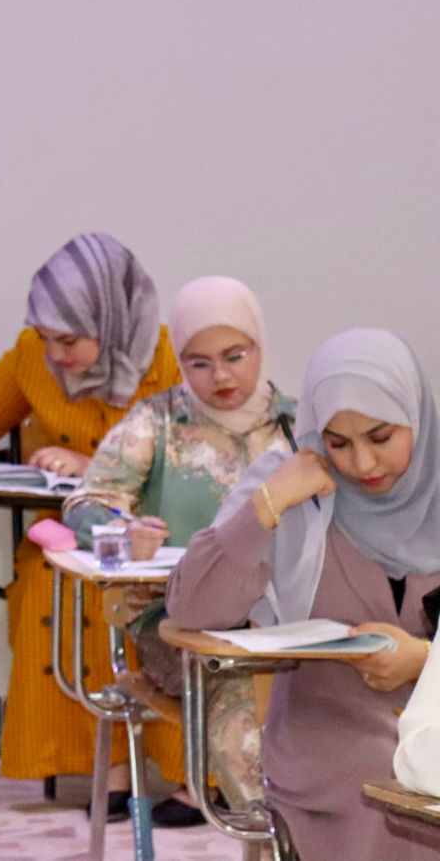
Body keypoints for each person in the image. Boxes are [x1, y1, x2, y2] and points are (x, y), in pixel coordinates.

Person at [167, 328, 440, 859]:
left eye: (382, 437)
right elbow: (191, 608)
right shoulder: (291, 488)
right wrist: (267, 505)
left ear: (417, 417)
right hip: (332, 746)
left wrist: (425, 661)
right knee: (384, 781)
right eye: (338, 443)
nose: (363, 464)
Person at [0, 233, 184, 813]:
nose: (55, 354)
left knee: (127, 593)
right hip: (71, 536)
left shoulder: (168, 357)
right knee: (58, 581)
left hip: (158, 533)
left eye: (68, 340)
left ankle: (180, 772)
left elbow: (193, 458)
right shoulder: (33, 356)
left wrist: (95, 468)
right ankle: (111, 772)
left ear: (110, 319)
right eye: (47, 337)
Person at [62, 276, 291, 819]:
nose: (221, 377)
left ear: (259, 345)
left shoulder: (296, 425)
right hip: (178, 623)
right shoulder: (158, 421)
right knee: (239, 707)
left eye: (235, 356)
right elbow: (84, 503)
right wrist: (124, 529)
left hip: (282, 621)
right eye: (199, 363)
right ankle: (276, 832)